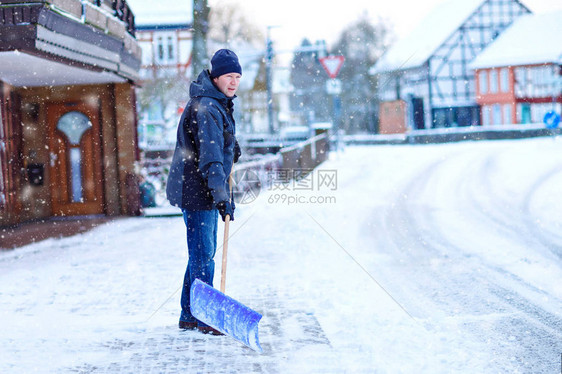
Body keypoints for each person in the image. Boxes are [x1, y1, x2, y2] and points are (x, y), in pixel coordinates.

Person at [166, 49, 242, 335]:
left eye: (237, 77)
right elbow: (209, 158)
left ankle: (189, 313)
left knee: (199, 253)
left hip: (198, 188)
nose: (234, 82)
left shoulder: (213, 103)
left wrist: (230, 146)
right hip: (198, 191)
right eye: (228, 76)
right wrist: (222, 197)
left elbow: (214, 148)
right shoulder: (208, 107)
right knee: (203, 256)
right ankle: (204, 316)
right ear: (216, 76)